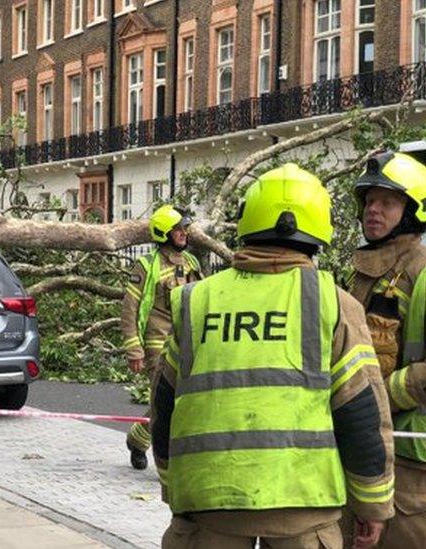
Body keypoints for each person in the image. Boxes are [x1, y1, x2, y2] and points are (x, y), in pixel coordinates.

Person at [151, 163, 394, 548]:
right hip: (304, 504)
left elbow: (164, 404)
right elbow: (360, 411)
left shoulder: (196, 300)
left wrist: (174, 487)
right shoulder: (332, 301)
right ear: (319, 231)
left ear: (247, 226)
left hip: (210, 502)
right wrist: (373, 504)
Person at [346, 151, 426, 547]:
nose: (373, 211)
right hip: (360, 447)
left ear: (414, 210)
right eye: (369, 201)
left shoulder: (422, 272)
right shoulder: (364, 269)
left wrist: (376, 400)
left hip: (409, 456)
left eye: (388, 203)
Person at [120, 204, 203, 470]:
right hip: (158, 341)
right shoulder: (146, 266)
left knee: (181, 399)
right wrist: (134, 350)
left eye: (184, 228)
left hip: (187, 340)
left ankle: (138, 438)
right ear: (163, 233)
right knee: (167, 398)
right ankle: (166, 460)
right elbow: (129, 309)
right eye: (177, 229)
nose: (183, 233)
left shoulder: (192, 263)